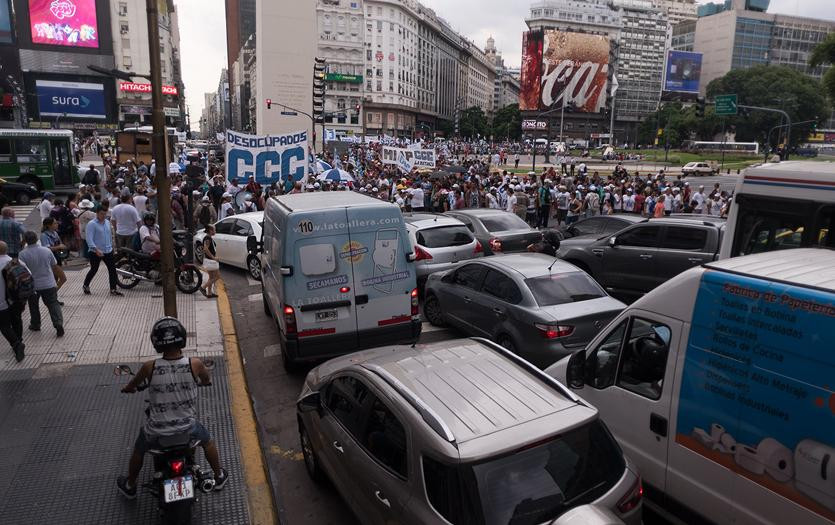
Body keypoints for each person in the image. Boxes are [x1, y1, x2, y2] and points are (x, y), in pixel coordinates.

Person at [116, 317, 229, 499]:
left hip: (157, 431)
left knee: (139, 450)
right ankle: (219, 475)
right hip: (188, 428)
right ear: (182, 339)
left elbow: (132, 385)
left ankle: (130, 485)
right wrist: (202, 381)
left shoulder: (149, 367)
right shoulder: (196, 364)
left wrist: (129, 389)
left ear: (156, 343)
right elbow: (206, 380)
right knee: (208, 442)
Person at [19, 231, 66, 337]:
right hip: (48, 283)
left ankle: (35, 324)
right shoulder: (46, 251)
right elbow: (54, 266)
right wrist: (61, 279)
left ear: (25, 240)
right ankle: (58, 323)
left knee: (33, 305)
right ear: (37, 239)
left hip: (33, 286)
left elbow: (22, 271)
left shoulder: (22, 254)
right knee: (53, 304)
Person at [84, 207, 122, 296]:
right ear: (97, 213)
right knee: (94, 269)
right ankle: (86, 285)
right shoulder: (92, 224)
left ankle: (113, 289)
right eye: (101, 214)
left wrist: (113, 248)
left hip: (108, 251)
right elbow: (89, 239)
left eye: (105, 214)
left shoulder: (107, 223)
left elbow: (109, 236)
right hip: (95, 252)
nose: (104, 216)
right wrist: (96, 249)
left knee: (112, 270)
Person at [0, 241, 25, 362]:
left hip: (2, 302)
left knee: (4, 325)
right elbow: (28, 275)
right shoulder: (15, 261)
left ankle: (16, 344)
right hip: (16, 299)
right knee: (17, 320)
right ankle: (19, 339)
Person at [200, 225, 220, 298]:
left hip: (209, 260)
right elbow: (205, 249)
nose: (215, 231)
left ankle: (209, 293)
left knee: (211, 277)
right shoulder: (207, 238)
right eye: (214, 229)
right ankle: (203, 288)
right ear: (210, 231)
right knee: (217, 276)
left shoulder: (208, 238)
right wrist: (213, 258)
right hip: (210, 260)